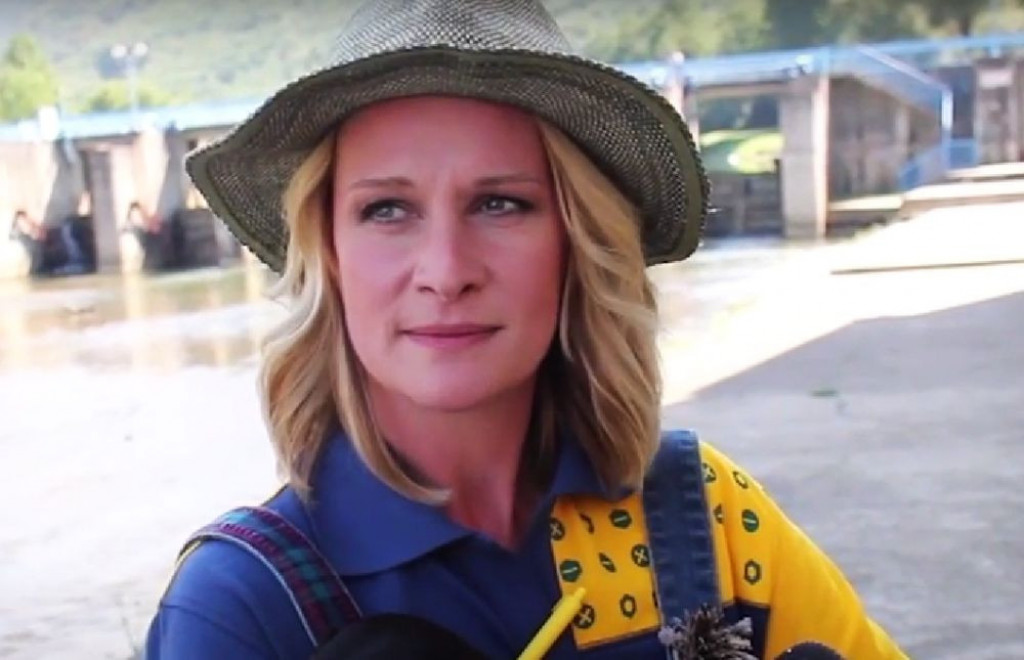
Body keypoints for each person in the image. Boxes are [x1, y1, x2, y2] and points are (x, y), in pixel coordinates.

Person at [145, 1, 907, 659]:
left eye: (500, 203)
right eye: (387, 209)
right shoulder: (241, 608)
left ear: (579, 240)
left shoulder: (707, 522)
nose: (446, 271)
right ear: (330, 254)